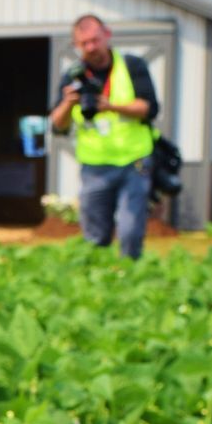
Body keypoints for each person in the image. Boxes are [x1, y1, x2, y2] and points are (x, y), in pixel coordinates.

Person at [49, 13, 158, 261]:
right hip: (94, 168)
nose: (91, 47)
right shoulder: (73, 76)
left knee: (130, 231)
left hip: (134, 161)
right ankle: (98, 284)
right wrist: (67, 103)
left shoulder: (132, 66)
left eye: (95, 40)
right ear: (76, 45)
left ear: (106, 35)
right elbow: (57, 125)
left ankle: (129, 275)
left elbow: (149, 108)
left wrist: (111, 106)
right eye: (84, 43)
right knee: (94, 235)